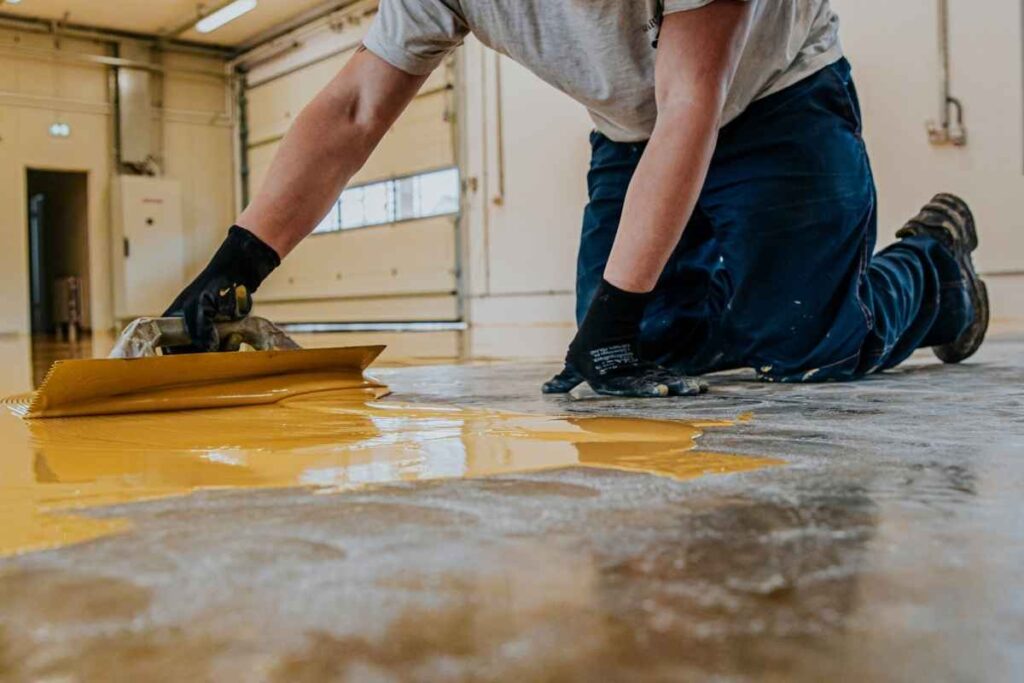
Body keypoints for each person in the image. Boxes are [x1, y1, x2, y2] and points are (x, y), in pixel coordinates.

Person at [165, 0, 988, 398]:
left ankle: (935, 270)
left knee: (807, 341)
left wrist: (612, 319)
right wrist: (236, 265)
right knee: (650, 344)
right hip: (632, 129)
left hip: (775, 93)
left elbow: (693, 97)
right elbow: (356, 109)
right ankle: (729, 299)